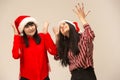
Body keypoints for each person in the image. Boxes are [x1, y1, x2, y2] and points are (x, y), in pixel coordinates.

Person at [53, 3, 97, 80]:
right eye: (60, 27)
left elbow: (90, 35)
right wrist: (57, 38)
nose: (62, 26)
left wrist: (82, 19)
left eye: (64, 24)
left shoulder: (82, 37)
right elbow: (57, 56)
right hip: (74, 76)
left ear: (71, 26)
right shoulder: (66, 45)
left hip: (87, 74)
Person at [11, 15, 57, 80]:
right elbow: (16, 55)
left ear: (35, 25)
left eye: (32, 25)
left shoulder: (42, 36)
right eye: (26, 27)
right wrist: (16, 36)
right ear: (22, 29)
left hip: (43, 76)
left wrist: (45, 32)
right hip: (26, 77)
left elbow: (54, 51)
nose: (30, 28)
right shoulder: (20, 40)